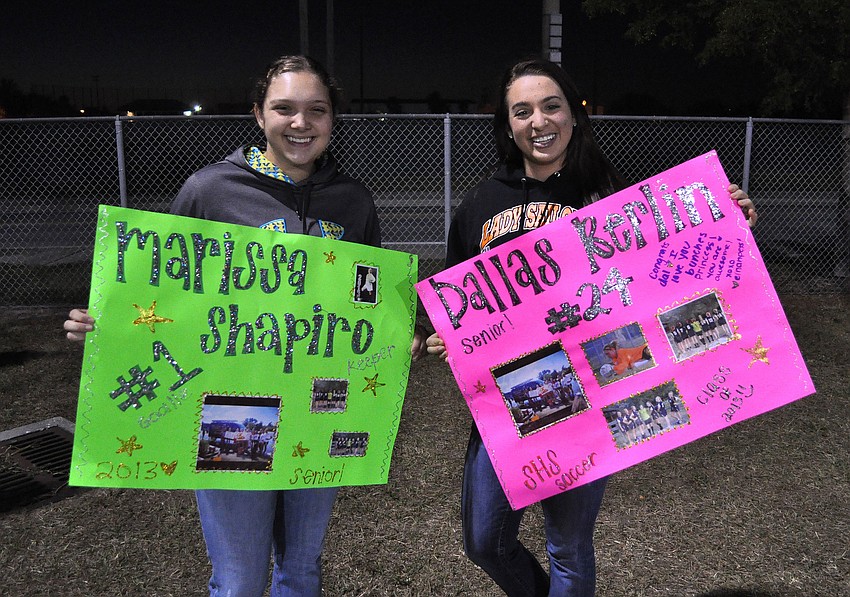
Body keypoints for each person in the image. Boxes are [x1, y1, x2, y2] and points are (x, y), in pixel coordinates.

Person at [65, 55, 426, 597]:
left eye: (316, 110)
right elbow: (164, 289)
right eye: (284, 109)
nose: (300, 123)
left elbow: (368, 295)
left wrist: (403, 332)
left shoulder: (353, 200)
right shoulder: (209, 190)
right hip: (231, 408)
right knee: (238, 581)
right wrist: (108, 326)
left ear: (332, 119)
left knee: (301, 573)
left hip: (318, 404)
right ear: (259, 114)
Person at [425, 58, 757, 596]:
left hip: (593, 389)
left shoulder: (609, 197)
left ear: (573, 116)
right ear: (507, 125)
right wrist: (447, 335)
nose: (539, 120)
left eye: (551, 105)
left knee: (568, 548)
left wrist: (726, 214)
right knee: (484, 541)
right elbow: (454, 300)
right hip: (510, 398)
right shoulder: (482, 203)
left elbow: (669, 269)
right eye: (523, 110)